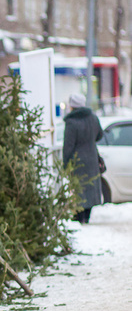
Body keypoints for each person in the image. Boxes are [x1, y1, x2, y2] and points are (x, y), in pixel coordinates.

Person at [62, 93, 104, 224]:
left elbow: (68, 145)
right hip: (92, 158)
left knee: (78, 188)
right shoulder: (93, 118)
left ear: (72, 106)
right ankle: (87, 216)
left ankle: (79, 217)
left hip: (77, 161)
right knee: (90, 187)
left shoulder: (71, 122)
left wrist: (65, 164)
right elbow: (99, 136)